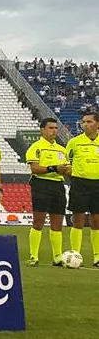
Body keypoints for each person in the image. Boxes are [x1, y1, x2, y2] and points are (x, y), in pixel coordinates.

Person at [25, 118, 70, 266]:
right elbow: (35, 169)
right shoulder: (36, 147)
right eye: (50, 128)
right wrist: (54, 168)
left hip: (58, 185)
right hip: (41, 185)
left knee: (57, 224)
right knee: (38, 222)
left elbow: (67, 170)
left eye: (56, 128)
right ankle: (33, 255)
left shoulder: (62, 150)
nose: (54, 131)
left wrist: (69, 171)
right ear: (42, 129)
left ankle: (57, 256)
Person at [66, 112, 99, 267]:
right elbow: (67, 162)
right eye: (83, 122)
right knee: (78, 219)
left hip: (97, 184)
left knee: (97, 221)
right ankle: (75, 254)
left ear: (97, 124)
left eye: (89, 121)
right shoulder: (74, 142)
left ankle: (97, 256)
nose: (85, 124)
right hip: (79, 183)